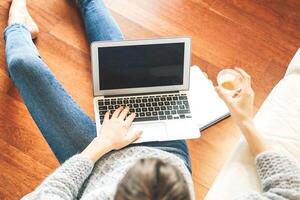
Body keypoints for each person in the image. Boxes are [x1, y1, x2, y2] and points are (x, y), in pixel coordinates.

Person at [3, 0, 300, 199]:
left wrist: (102, 144)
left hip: (94, 155)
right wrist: (245, 119)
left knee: (22, 65)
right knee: (118, 60)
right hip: (165, 144)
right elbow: (289, 188)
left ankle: (19, 24)